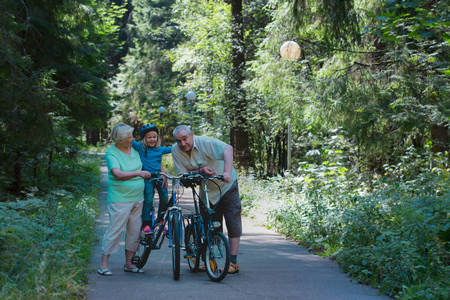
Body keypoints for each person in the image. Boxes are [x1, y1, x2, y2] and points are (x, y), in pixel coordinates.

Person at [171, 125, 242, 274]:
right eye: (179, 141)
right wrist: (201, 171)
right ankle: (211, 261)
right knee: (209, 225)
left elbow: (228, 149)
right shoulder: (175, 150)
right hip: (206, 190)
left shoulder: (205, 142)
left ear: (191, 134)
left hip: (226, 185)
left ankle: (233, 262)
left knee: (232, 221)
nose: (183, 144)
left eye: (185, 139)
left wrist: (227, 172)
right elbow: (183, 174)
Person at [98, 123, 151, 276]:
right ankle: (103, 264)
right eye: (129, 137)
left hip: (138, 198)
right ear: (120, 140)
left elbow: (152, 155)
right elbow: (117, 174)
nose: (132, 139)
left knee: (134, 231)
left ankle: (129, 263)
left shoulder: (133, 148)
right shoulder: (112, 152)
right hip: (120, 198)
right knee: (115, 230)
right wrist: (138, 173)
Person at [132, 123, 172, 233]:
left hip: (159, 176)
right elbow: (128, 139)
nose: (152, 139)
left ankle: (160, 221)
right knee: (148, 199)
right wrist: (113, 136)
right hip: (147, 177)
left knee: (164, 197)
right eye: (149, 137)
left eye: (154, 137)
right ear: (144, 139)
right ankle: (146, 223)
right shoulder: (140, 147)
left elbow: (173, 148)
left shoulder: (160, 149)